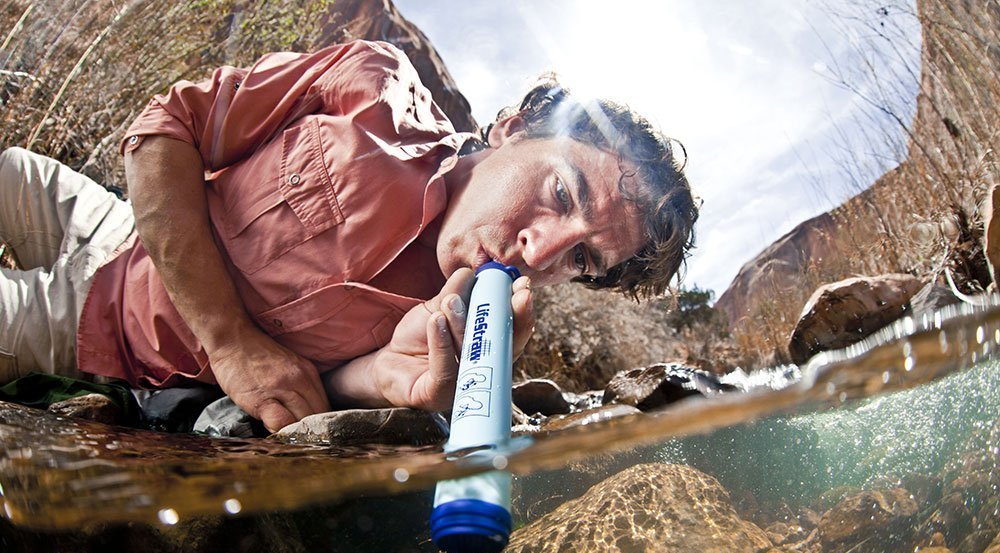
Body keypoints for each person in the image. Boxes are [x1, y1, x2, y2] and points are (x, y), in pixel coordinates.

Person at [0, 40, 698, 432]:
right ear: (513, 129)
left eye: (581, 257)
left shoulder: (456, 330)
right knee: (9, 168)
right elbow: (165, 129)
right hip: (116, 222)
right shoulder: (373, 82)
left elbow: (322, 387)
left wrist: (391, 380)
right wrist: (231, 340)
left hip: (98, 326)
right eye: (561, 193)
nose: (539, 253)